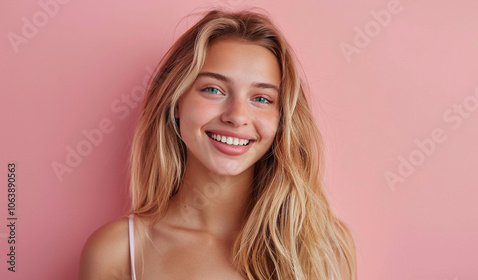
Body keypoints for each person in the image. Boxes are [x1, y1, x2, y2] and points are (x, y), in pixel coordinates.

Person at [79, 8, 356, 280]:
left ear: (281, 118)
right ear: (176, 103)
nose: (236, 116)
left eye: (261, 98)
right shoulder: (118, 253)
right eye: (213, 89)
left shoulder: (326, 247)